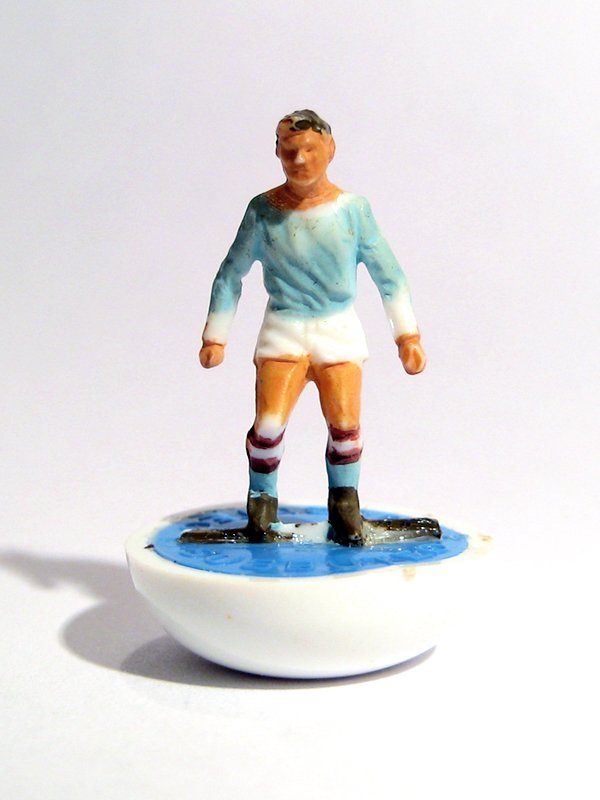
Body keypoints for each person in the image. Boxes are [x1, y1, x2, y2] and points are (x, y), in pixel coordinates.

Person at [199, 110, 426, 546]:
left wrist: (407, 337)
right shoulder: (263, 211)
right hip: (284, 331)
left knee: (345, 426)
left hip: (336, 331)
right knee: (268, 426)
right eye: (290, 151)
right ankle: (261, 511)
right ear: (277, 153)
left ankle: (346, 512)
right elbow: (231, 273)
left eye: (310, 150)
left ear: (330, 150)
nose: (300, 160)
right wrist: (216, 336)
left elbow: (390, 277)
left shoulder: (353, 211)